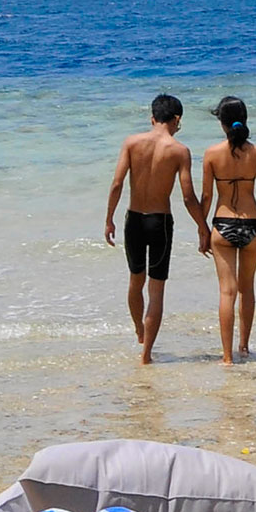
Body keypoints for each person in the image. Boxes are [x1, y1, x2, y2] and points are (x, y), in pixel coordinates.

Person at [103, 95, 203, 363]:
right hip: (160, 223)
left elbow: (117, 184)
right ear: (177, 119)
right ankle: (146, 354)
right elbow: (188, 197)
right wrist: (202, 227)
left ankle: (139, 328)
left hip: (134, 220)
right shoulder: (180, 151)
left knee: (135, 281)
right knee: (156, 291)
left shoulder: (131, 143)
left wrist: (109, 219)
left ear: (152, 118)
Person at [199, 94, 256, 366]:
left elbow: (206, 197)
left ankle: (227, 358)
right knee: (246, 289)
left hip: (223, 225)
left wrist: (202, 229)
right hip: (252, 225)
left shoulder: (212, 154)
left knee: (227, 292)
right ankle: (244, 347)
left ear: (222, 123)